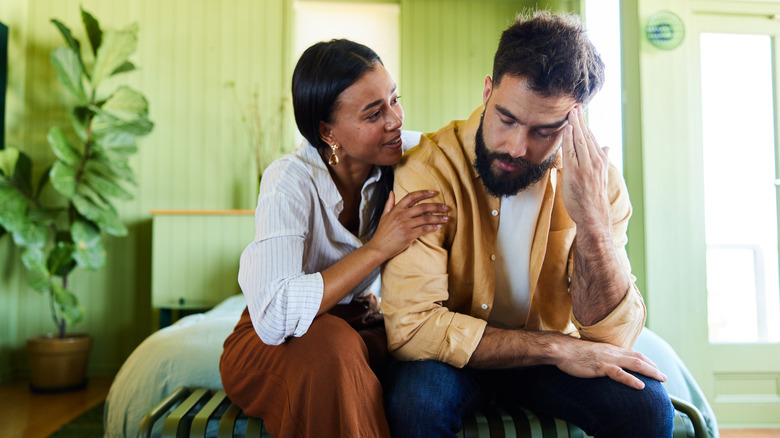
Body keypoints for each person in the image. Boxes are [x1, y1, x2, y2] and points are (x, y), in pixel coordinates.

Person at [381, 11, 674, 437]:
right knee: (414, 405)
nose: (516, 146)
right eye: (507, 118)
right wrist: (556, 349)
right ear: (487, 91)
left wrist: (590, 219)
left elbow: (614, 334)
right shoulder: (429, 168)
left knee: (646, 407)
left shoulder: (600, 181)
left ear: (575, 121)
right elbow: (411, 328)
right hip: (458, 357)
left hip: (547, 363)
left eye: (543, 130)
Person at [219, 39, 449, 438]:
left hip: (360, 324)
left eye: (395, 99)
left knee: (413, 353)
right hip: (274, 342)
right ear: (328, 132)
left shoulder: (406, 156)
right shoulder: (288, 181)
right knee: (332, 346)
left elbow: (467, 146)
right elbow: (274, 316)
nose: (394, 119)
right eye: (374, 113)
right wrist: (379, 247)